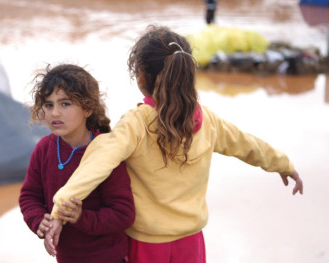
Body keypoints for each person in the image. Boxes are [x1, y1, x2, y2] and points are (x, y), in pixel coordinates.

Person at [48, 25, 303, 263]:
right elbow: (247, 144)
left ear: (140, 77)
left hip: (147, 244)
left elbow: (98, 161)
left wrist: (62, 206)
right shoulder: (207, 120)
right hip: (191, 243)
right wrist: (283, 164)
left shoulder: (137, 123)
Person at [18, 64, 135, 263]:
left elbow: (123, 213)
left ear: (88, 108)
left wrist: (81, 217)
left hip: (109, 258)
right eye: (48, 105)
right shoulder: (44, 150)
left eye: (65, 104)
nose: (55, 113)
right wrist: (39, 221)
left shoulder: (106, 152)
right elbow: (30, 196)